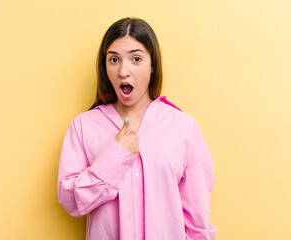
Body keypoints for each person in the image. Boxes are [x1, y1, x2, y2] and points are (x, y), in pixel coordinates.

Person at [57, 17, 217, 240]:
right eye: (114, 60)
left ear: (152, 66)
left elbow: (197, 221)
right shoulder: (83, 126)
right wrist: (114, 156)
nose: (123, 71)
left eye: (136, 59)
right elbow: (71, 200)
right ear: (105, 67)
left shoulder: (183, 127)